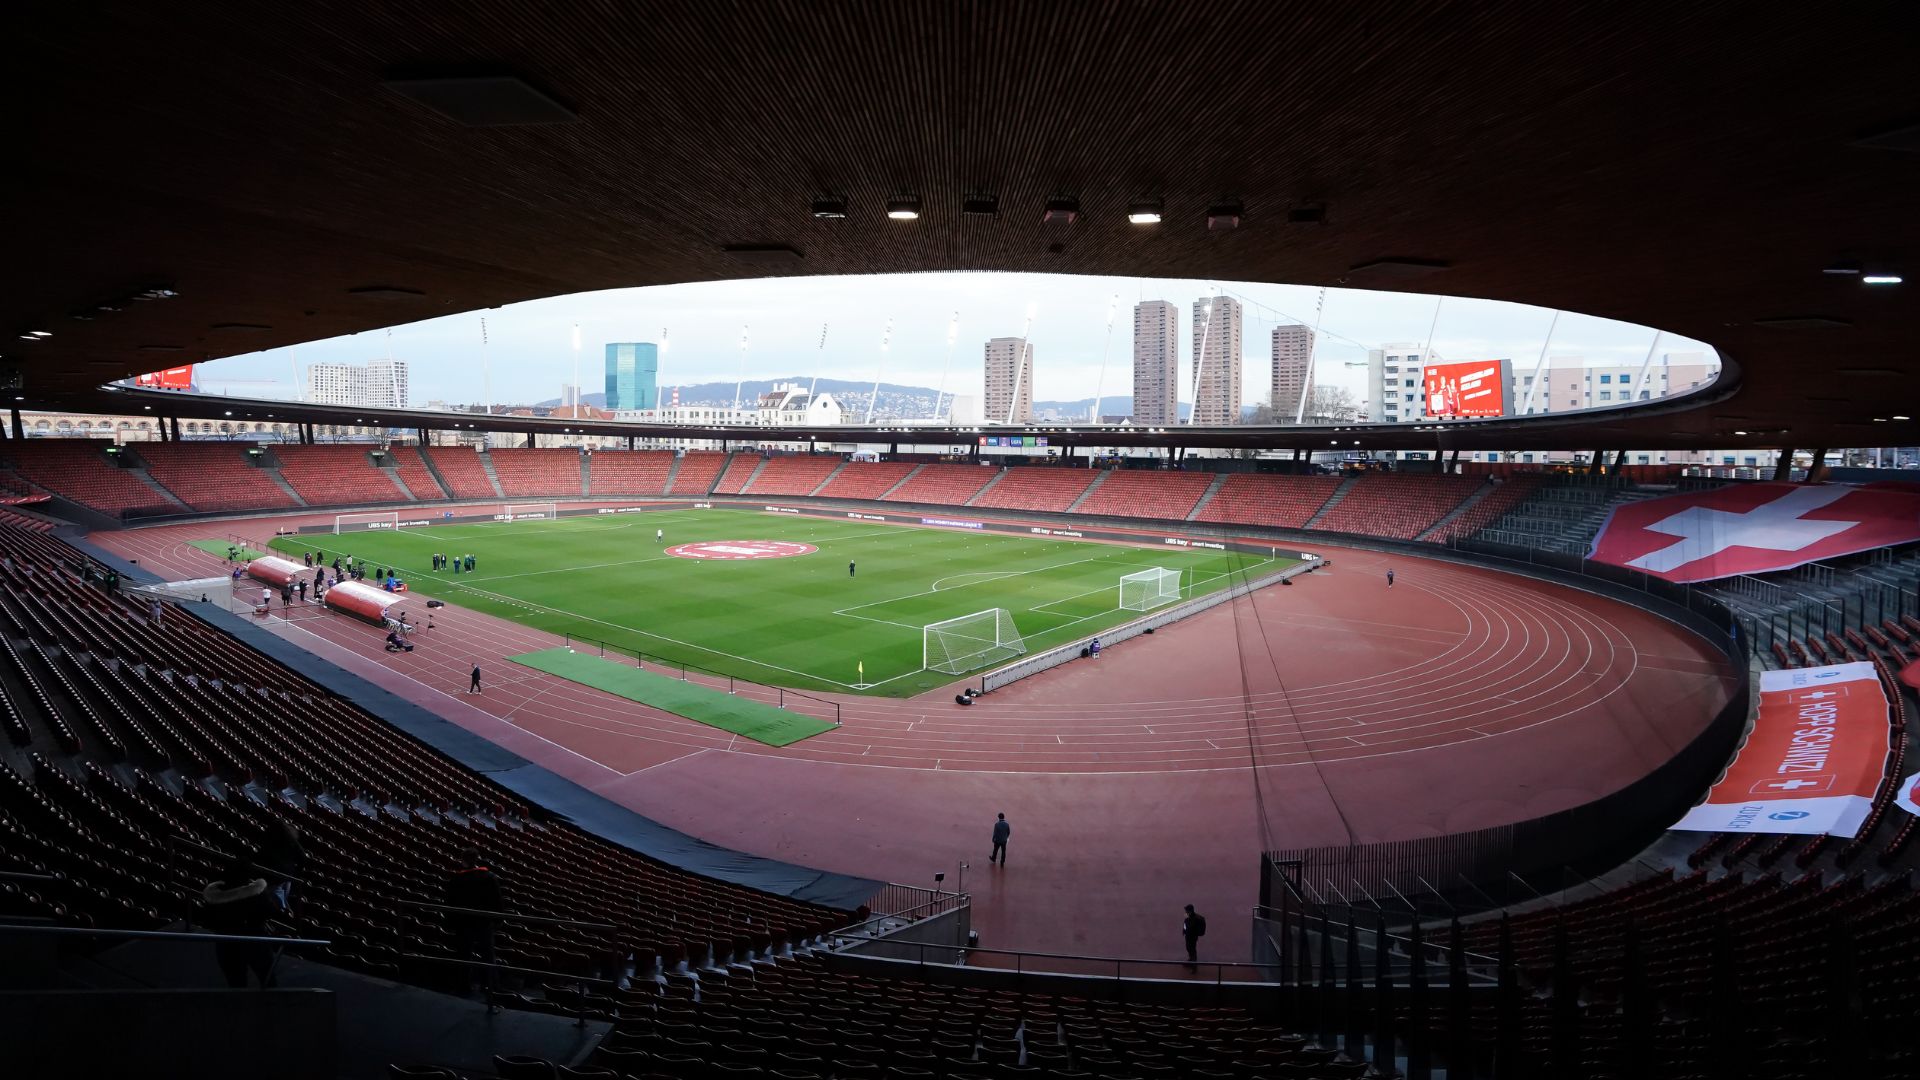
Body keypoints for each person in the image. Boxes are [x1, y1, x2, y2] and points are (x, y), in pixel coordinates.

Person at [200, 856, 276, 988]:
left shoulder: (214, 895)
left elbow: (207, 918)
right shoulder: (256, 892)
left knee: (236, 983)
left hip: (226, 942)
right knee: (268, 979)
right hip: (255, 940)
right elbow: (270, 911)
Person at [444, 845, 504, 1003]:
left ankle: (463, 985)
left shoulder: (457, 879)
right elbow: (497, 901)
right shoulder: (489, 877)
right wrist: (497, 920)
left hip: (463, 923)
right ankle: (491, 987)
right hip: (483, 922)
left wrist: (450, 922)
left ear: (463, 861)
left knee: (464, 955)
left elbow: (450, 903)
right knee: (488, 955)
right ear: (477, 860)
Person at [255, 818, 304, 914]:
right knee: (281, 899)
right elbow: (302, 857)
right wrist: (297, 872)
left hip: (275, 876)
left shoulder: (268, 840)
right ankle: (287, 915)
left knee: (279, 899)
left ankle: (285, 914)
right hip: (286, 875)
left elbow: (261, 855)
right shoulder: (290, 840)